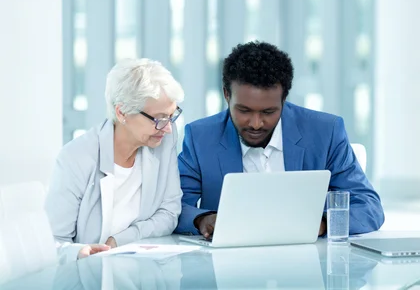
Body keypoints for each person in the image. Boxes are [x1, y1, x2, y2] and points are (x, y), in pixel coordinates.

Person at [176, 41, 384, 238]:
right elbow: (173, 206)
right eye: (244, 110)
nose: (256, 123)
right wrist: (201, 219)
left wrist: (318, 224)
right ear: (227, 95)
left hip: (308, 264)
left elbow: (368, 207)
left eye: (268, 111)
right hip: (227, 265)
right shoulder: (200, 137)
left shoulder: (325, 132)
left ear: (284, 99)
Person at [45, 58, 184, 263]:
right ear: (122, 112)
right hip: (89, 277)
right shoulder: (76, 158)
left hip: (144, 272)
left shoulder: (163, 140)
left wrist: (119, 240)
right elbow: (53, 242)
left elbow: (170, 213)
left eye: (172, 116)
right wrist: (76, 252)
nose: (168, 128)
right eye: (160, 118)